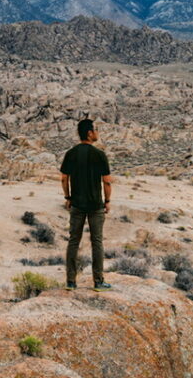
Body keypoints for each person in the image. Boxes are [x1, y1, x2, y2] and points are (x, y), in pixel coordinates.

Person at [60, 117, 112, 291]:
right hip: (95, 205)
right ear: (90, 133)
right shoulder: (99, 155)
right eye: (95, 130)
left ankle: (70, 282)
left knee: (74, 241)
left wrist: (68, 197)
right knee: (97, 242)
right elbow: (107, 182)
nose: (97, 133)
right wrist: (107, 201)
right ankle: (98, 282)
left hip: (77, 205)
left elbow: (64, 178)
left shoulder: (71, 153)